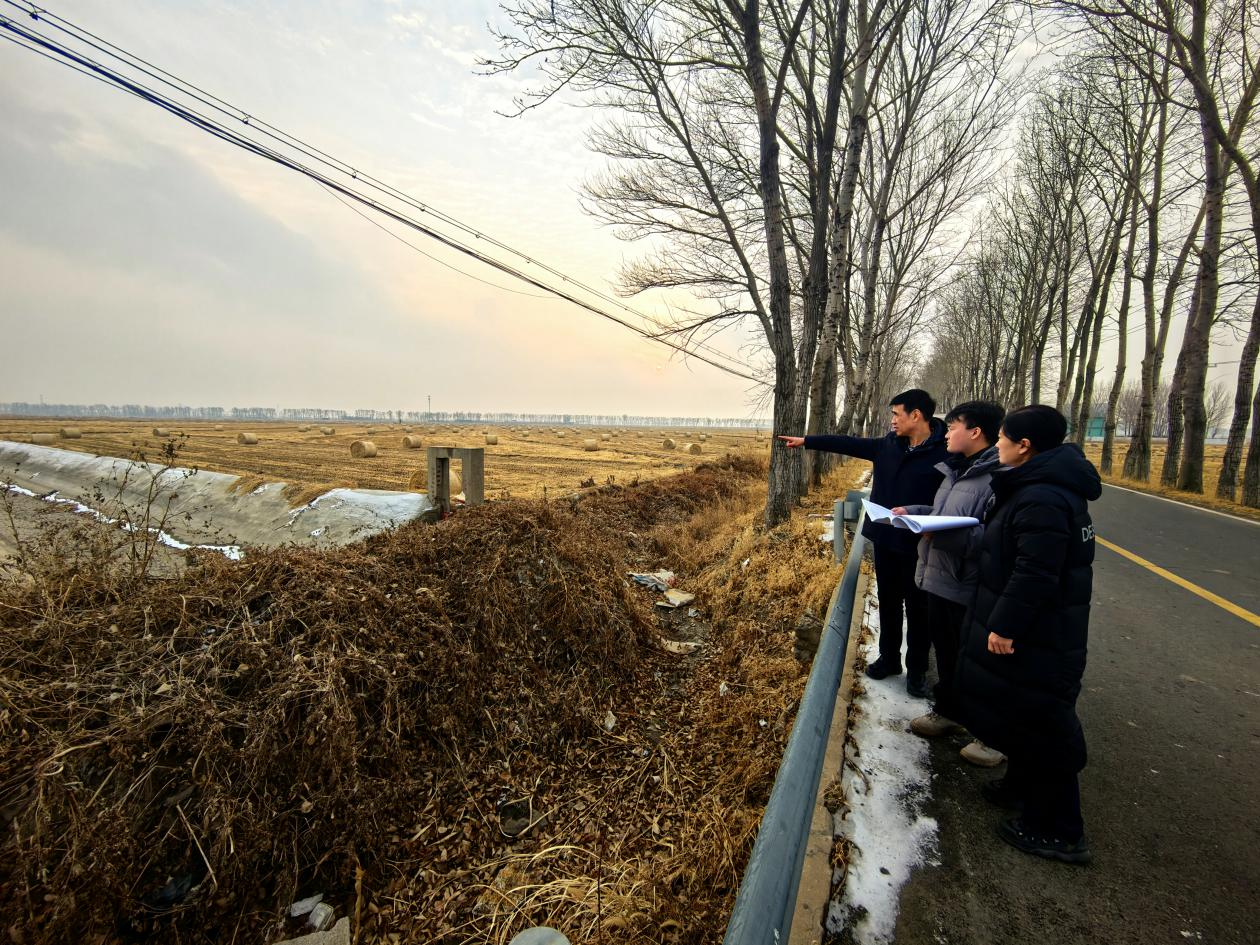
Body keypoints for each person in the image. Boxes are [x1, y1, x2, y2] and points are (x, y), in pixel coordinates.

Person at [954, 405, 1100, 864]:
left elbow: (1037, 572)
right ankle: (1020, 789)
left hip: (1039, 634)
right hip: (1037, 629)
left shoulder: (1042, 497)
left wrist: (1005, 624)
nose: (996, 445)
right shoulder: (1037, 487)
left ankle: (1059, 830)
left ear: (1025, 446)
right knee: (1019, 711)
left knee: (1043, 724)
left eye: (1001, 439)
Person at [778, 389, 947, 696]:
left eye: (896, 414)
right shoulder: (888, 445)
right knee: (890, 603)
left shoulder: (946, 453)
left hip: (922, 546)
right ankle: (889, 659)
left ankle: (918, 670)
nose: (892, 420)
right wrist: (807, 441)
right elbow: (849, 444)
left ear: (916, 415)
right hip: (885, 539)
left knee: (920, 609)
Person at [889, 400, 1008, 769]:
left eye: (953, 427)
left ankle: (993, 735)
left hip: (966, 584)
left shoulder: (998, 478)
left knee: (976, 663)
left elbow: (995, 540)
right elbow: (946, 516)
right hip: (939, 577)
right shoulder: (957, 470)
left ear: (975, 432)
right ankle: (949, 712)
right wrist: (916, 514)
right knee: (948, 653)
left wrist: (938, 535)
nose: (946, 434)